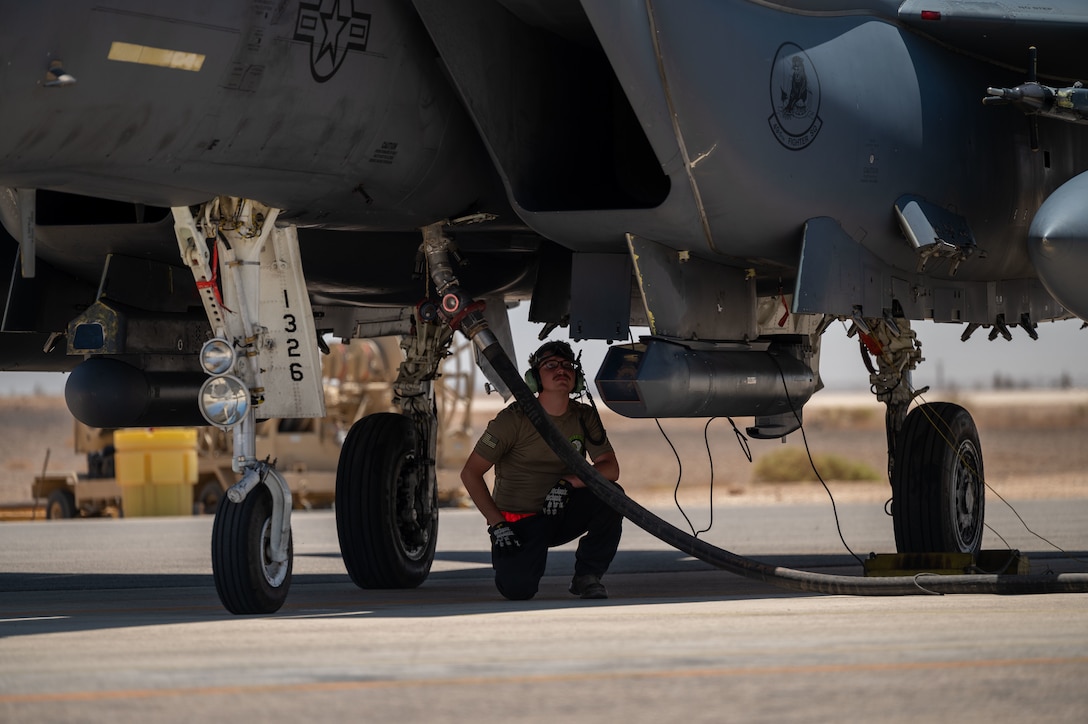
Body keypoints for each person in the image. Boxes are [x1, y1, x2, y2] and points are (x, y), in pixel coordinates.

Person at [460, 340, 622, 600]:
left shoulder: (584, 416)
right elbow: (470, 473)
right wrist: (497, 524)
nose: (561, 370)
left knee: (612, 495)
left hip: (559, 512)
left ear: (577, 377)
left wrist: (569, 482)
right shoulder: (512, 420)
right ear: (535, 377)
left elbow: (610, 469)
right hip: (519, 523)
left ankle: (587, 577)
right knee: (517, 590)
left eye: (568, 365)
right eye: (550, 365)